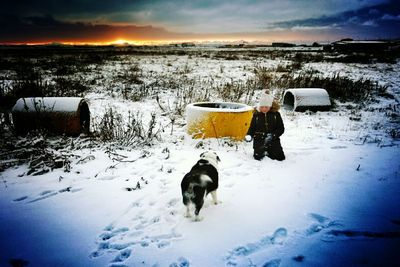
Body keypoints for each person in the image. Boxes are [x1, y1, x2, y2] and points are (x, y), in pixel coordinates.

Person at [245, 92, 285, 161]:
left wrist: (273, 135)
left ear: (270, 106)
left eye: (266, 107)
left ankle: (270, 150)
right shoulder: (256, 115)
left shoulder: (276, 115)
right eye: (262, 107)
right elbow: (252, 127)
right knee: (258, 157)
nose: (264, 109)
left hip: (273, 139)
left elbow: (281, 128)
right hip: (259, 139)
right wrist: (249, 135)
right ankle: (263, 150)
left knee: (280, 157)